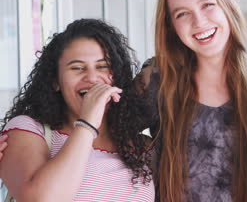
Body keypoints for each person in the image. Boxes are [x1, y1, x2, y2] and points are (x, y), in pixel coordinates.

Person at [137, 0, 247, 201]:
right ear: (171, 27)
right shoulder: (157, 82)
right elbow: (105, 136)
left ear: (228, 3)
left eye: (208, 5)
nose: (199, 22)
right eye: (182, 13)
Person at [0, 19, 154, 201]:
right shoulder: (28, 130)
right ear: (55, 81)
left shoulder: (141, 146)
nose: (92, 77)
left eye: (102, 66)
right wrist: (87, 124)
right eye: (77, 68)